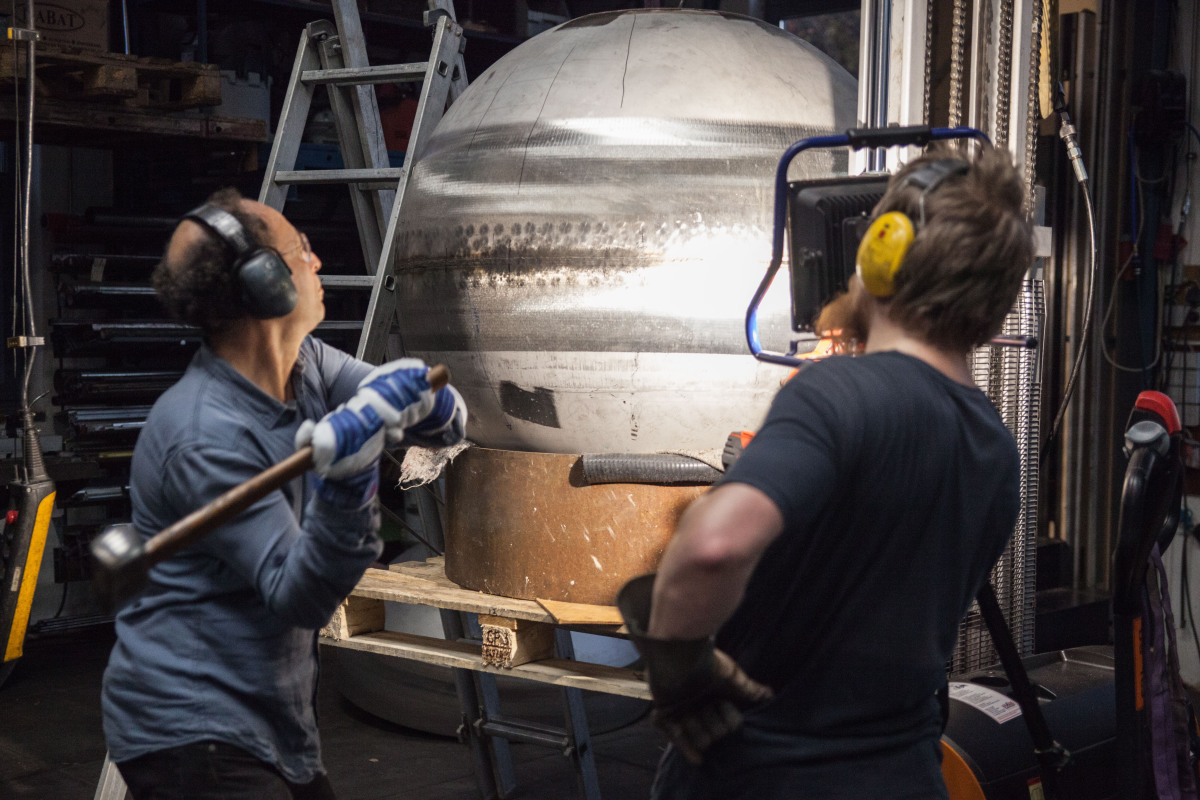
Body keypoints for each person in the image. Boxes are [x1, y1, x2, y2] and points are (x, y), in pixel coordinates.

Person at [617, 145, 1034, 800]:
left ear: (880, 256)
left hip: (763, 778)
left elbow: (713, 546)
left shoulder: (839, 392)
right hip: (906, 778)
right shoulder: (999, 451)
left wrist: (680, 669)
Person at [101, 188, 466, 800]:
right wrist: (348, 477)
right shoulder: (202, 434)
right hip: (194, 730)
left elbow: (446, 425)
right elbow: (301, 596)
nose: (317, 262)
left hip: (274, 718)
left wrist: (418, 396)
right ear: (267, 283)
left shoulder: (308, 363)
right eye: (303, 249)